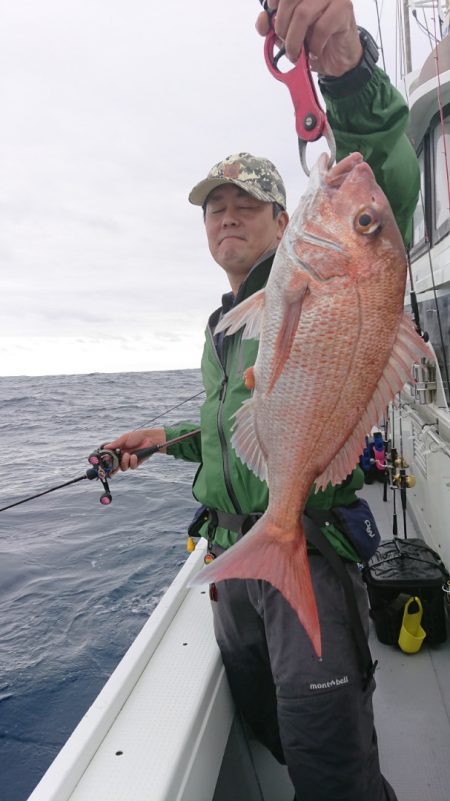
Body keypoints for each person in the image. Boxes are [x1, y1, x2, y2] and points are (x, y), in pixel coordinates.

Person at [105, 2, 420, 798]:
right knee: (265, 727)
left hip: (303, 544)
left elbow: (381, 161)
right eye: (216, 206)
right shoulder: (229, 321)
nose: (228, 215)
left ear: (288, 219)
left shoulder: (329, 274)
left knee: (332, 768)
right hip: (236, 560)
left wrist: (344, 68)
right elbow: (243, 426)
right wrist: (165, 435)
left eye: (246, 201)